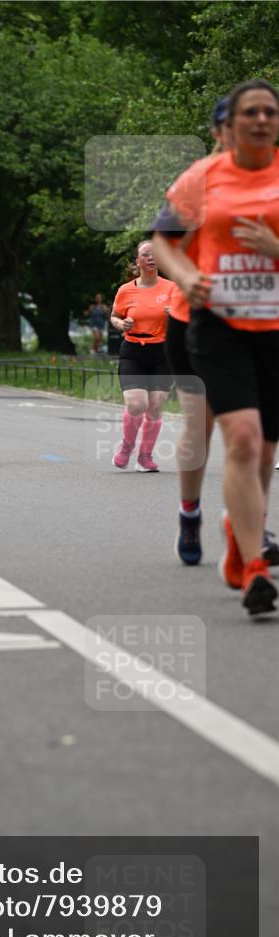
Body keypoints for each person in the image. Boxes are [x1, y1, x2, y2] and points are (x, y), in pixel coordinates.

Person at [153, 78, 279, 615]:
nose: (259, 121)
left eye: (270, 112)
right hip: (212, 325)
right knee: (238, 436)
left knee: (264, 449)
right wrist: (186, 276)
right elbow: (164, 241)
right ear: (227, 127)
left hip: (273, 328)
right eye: (250, 112)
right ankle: (252, 566)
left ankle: (239, 534)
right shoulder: (202, 178)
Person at [109, 242, 175, 472]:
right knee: (137, 404)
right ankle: (127, 446)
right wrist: (121, 323)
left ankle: (145, 457)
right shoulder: (126, 290)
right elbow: (115, 316)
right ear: (137, 261)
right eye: (145, 255)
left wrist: (175, 313)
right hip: (134, 350)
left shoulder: (172, 289)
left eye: (155, 254)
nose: (150, 258)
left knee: (156, 406)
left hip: (162, 352)